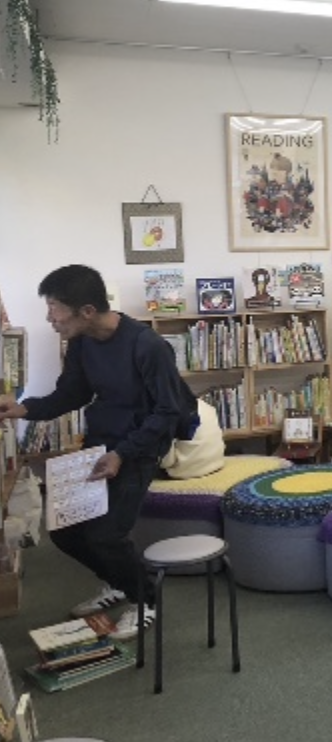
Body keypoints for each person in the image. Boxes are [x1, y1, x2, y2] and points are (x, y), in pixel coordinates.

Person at [0, 265, 199, 639]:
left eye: (55, 308)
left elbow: (167, 412)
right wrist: (24, 408)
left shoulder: (147, 346)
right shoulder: (81, 341)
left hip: (140, 447)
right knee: (64, 529)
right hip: (101, 442)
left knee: (107, 535)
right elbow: (72, 393)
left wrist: (122, 454)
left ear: (87, 311)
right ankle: (119, 583)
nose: (50, 319)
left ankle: (146, 599)